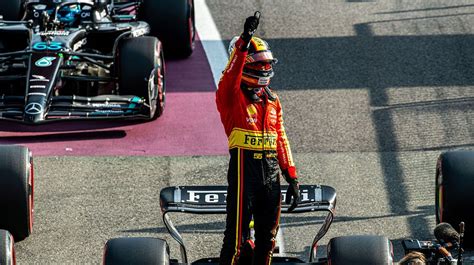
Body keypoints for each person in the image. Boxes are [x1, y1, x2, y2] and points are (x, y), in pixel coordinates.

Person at [215, 12, 300, 265]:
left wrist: (292, 176)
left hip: (271, 173)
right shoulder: (229, 97)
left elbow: (281, 138)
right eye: (257, 64)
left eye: (266, 64)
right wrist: (244, 41)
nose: (264, 68)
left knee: (268, 238)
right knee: (234, 239)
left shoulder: (273, 100)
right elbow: (231, 75)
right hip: (244, 171)